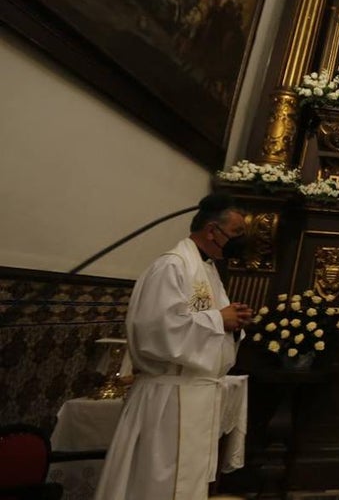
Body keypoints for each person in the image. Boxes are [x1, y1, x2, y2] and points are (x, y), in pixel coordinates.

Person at [94, 194, 253, 500]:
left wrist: (233, 323)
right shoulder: (171, 266)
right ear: (212, 230)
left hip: (194, 394)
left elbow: (209, 321)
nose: (239, 241)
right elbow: (156, 331)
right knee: (155, 484)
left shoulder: (208, 270)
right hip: (168, 398)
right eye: (235, 232)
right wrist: (219, 319)